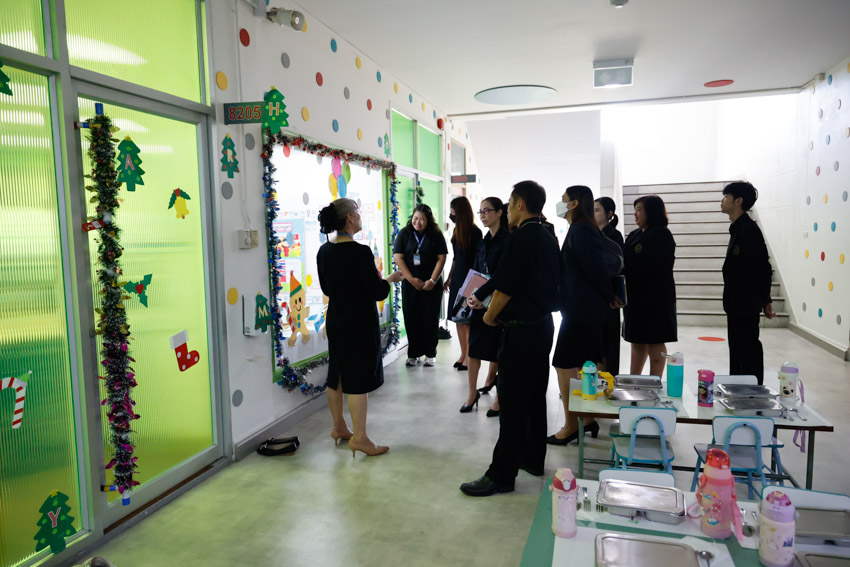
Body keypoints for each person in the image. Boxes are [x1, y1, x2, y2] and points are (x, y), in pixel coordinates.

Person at [460, 181, 561, 497]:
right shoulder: (547, 235)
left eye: (509, 202)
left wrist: (489, 317)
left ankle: (501, 475)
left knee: (513, 402)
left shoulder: (522, 237)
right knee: (534, 396)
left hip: (520, 330)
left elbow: (505, 287)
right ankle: (532, 458)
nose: (507, 209)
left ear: (519, 204)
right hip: (542, 326)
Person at [317, 199, 404, 457]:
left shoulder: (324, 250)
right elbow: (377, 291)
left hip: (336, 318)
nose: (360, 216)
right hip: (358, 322)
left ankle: (339, 427)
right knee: (357, 379)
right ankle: (361, 438)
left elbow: (325, 289)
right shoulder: (360, 252)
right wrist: (389, 279)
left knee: (337, 374)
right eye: (358, 211)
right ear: (350, 218)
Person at [548, 186, 621, 446]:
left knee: (563, 363)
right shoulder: (580, 229)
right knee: (582, 365)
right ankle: (586, 419)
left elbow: (595, 269)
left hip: (582, 310)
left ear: (575, 203)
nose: (560, 203)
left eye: (564, 200)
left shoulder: (581, 230)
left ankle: (572, 424)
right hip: (582, 309)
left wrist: (609, 296)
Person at [721, 181, 776, 384]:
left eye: (726, 197)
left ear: (738, 201)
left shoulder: (749, 230)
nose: (722, 201)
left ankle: (752, 391)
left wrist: (766, 299)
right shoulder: (737, 228)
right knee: (737, 349)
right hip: (735, 302)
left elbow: (763, 268)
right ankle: (737, 389)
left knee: (748, 349)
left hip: (746, 302)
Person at [463, 197, 510, 415]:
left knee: (499, 351)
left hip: (498, 302)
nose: (482, 215)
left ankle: (499, 398)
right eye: (480, 211)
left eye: (487, 211)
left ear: (499, 212)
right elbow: (475, 271)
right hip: (479, 302)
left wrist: (482, 295)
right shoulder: (483, 242)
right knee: (474, 349)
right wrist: (470, 296)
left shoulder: (508, 240)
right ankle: (471, 393)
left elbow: (504, 275)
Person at [622, 195, 677, 376]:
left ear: (651, 212)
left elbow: (650, 265)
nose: (635, 214)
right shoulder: (635, 235)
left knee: (655, 340)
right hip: (635, 298)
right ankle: (634, 379)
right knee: (637, 340)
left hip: (655, 299)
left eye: (639, 209)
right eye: (635, 210)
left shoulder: (662, 234)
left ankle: (655, 381)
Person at [393, 204, 448, 367]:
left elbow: (441, 258)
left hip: (431, 284)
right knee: (411, 318)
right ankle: (413, 354)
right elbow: (398, 257)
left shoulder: (436, 234)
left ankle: (430, 353)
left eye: (422, 219)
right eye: (415, 218)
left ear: (429, 220)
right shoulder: (404, 233)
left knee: (430, 319)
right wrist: (411, 279)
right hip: (411, 283)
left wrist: (432, 280)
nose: (418, 222)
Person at [444, 197, 482, 372]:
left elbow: (476, 260)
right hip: (458, 277)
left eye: (453, 212)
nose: (451, 215)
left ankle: (469, 356)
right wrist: (449, 278)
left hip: (470, 279)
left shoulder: (475, 232)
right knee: (457, 319)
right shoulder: (456, 230)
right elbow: (455, 258)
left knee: (466, 320)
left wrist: (473, 283)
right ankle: (463, 353)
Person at [594, 196, 624, 376]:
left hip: (610, 296)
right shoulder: (592, 233)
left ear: (609, 214)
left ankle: (608, 379)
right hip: (596, 297)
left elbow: (614, 268)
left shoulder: (613, 235)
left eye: (597, 210)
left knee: (608, 343)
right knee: (596, 343)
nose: (593, 213)